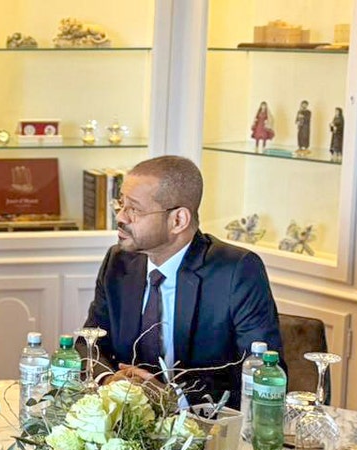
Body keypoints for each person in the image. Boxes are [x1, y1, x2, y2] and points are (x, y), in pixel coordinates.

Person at [83, 155, 284, 408]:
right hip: (125, 423)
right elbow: (89, 343)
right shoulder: (119, 261)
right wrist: (109, 380)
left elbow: (262, 372)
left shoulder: (237, 271)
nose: (121, 217)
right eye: (121, 204)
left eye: (134, 209)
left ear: (178, 220)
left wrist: (172, 398)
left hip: (206, 428)